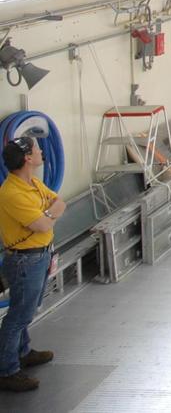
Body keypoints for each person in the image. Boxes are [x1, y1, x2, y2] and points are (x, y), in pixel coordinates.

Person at [0, 137, 61, 393]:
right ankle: (7, 370)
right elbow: (43, 224)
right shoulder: (12, 193)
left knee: (26, 309)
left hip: (40, 254)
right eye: (36, 149)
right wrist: (48, 216)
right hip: (25, 260)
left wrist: (47, 216)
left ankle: (23, 352)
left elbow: (60, 203)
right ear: (27, 158)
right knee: (19, 316)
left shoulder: (33, 183)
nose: (41, 151)